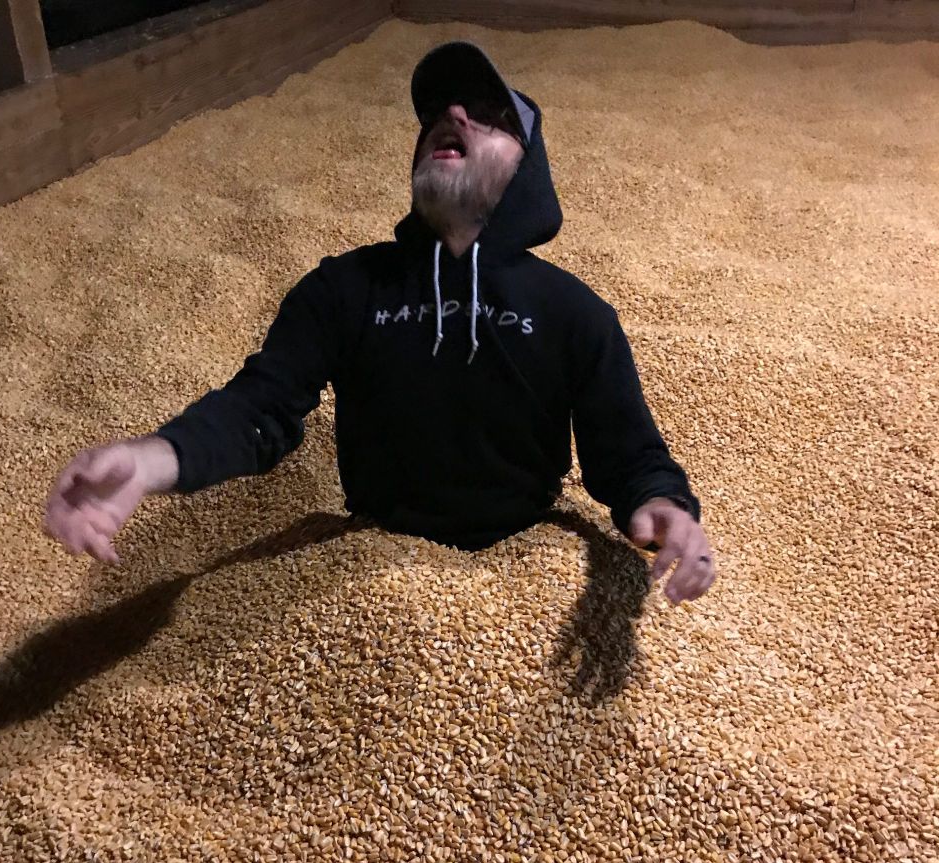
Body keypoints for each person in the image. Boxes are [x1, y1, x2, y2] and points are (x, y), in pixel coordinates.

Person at [43, 41, 716, 605]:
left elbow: (627, 455)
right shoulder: (343, 289)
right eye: (439, 115)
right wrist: (153, 457)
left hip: (528, 564)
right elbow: (259, 410)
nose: (452, 114)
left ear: (528, 169)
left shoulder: (576, 312)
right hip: (363, 562)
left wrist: (663, 508)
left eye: (489, 115)